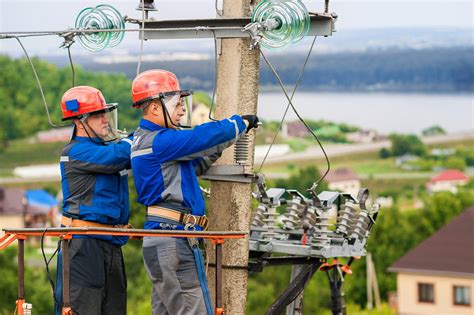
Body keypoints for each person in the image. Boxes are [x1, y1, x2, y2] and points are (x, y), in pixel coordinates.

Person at [130, 69, 259, 315]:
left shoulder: (148, 141)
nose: (181, 110)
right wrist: (239, 123)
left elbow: (193, 165)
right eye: (177, 104)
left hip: (168, 240)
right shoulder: (159, 141)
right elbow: (201, 137)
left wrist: (217, 148)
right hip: (173, 240)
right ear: (156, 108)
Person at [54, 86, 132, 315]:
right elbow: (118, 156)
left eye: (105, 113)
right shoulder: (75, 152)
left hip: (111, 242)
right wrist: (140, 138)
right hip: (83, 246)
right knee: (82, 308)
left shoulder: (105, 149)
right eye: (98, 115)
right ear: (80, 121)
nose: (105, 119)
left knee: (114, 308)